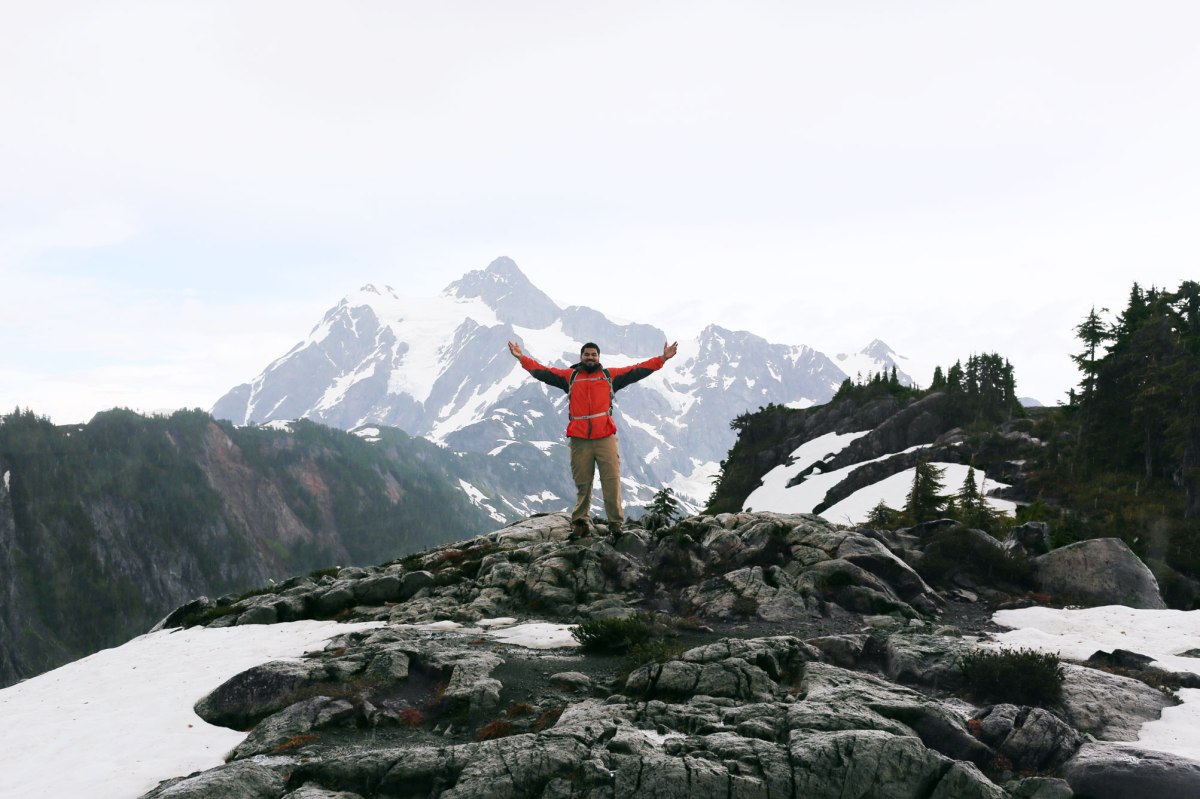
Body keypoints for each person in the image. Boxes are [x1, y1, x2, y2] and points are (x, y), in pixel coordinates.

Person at [507, 338, 678, 538]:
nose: (590, 357)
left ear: (598, 357)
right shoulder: (569, 376)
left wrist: (663, 358)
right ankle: (580, 523)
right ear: (581, 357)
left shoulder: (609, 376)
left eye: (593, 355)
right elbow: (543, 372)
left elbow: (637, 370)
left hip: (605, 436)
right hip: (579, 438)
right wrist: (522, 358)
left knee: (611, 480)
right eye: (587, 354)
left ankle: (615, 524)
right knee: (583, 482)